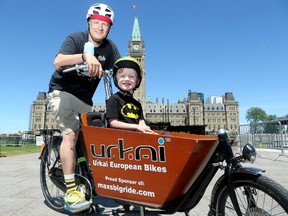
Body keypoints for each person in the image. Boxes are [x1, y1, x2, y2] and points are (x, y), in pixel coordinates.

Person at [47, 3, 121, 213]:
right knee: (70, 135)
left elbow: (120, 67)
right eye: (96, 22)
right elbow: (58, 61)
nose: (100, 27)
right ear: (89, 23)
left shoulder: (109, 48)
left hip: (85, 100)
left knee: (91, 140)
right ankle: (71, 192)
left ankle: (85, 177)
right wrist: (85, 56)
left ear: (109, 28)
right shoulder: (76, 39)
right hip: (62, 93)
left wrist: (129, 74)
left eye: (105, 24)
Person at [106, 56, 152, 133]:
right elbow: (113, 123)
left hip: (135, 138)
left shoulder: (137, 104)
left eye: (131, 76)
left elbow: (141, 122)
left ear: (137, 81)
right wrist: (136, 127)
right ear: (115, 79)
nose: (127, 79)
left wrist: (146, 129)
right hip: (119, 138)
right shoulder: (114, 99)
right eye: (122, 76)